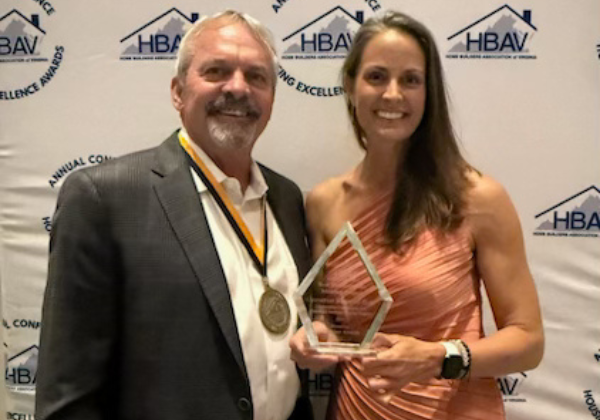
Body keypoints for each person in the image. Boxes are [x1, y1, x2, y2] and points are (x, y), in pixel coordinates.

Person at [36, 10, 312, 420]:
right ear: (178, 92)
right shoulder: (103, 198)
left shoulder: (286, 197)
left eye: (257, 77)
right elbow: (68, 395)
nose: (238, 87)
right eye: (217, 71)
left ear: (272, 96)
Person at [290, 10, 544, 420]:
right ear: (350, 86)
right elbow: (329, 323)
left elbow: (528, 341)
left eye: (410, 80)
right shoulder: (323, 203)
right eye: (376, 77)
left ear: (429, 93)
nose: (392, 94)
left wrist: (439, 357)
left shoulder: (478, 198)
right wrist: (317, 339)